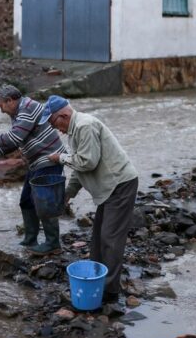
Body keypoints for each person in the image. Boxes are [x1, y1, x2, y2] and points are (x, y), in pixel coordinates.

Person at [42, 95, 138, 304]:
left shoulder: (85, 126)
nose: (55, 128)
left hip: (120, 184)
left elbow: (87, 163)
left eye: (53, 122)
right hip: (107, 188)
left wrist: (60, 158)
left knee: (110, 239)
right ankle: (95, 280)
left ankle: (110, 292)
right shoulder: (74, 131)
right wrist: (68, 194)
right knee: (97, 240)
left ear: (64, 115)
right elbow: (78, 169)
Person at [0, 85, 65, 255]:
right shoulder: (19, 112)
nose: (1, 111)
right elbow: (16, 142)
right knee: (26, 201)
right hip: (36, 161)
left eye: (1, 105)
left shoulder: (27, 108)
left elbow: (15, 136)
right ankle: (30, 239)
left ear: (10, 101)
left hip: (49, 159)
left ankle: (53, 244)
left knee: (45, 203)